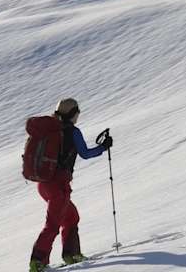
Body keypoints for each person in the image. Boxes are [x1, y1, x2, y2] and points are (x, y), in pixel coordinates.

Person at [28, 98, 112, 272]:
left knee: (71, 217)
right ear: (73, 114)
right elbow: (85, 153)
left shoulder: (50, 130)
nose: (79, 115)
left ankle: (71, 254)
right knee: (53, 224)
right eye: (78, 112)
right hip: (58, 185)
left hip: (44, 184)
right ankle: (38, 262)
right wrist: (103, 147)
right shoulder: (72, 132)